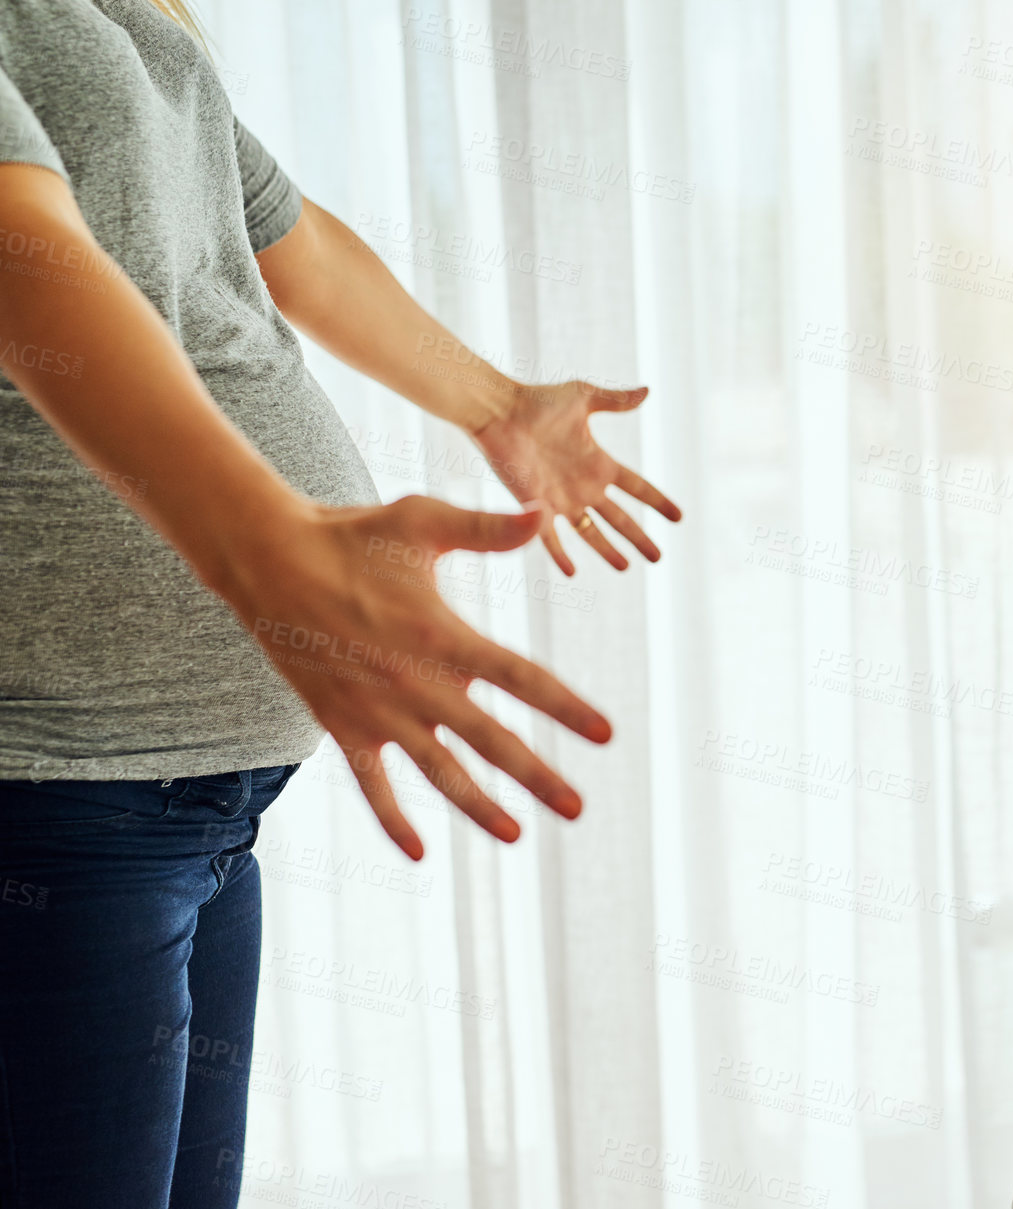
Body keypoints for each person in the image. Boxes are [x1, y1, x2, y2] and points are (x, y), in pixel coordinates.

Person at [0, 1, 678, 1204]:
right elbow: (22, 257)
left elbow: (287, 244)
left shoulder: (118, 12)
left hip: (201, 813)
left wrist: (499, 405)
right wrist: (270, 550)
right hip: (54, 791)